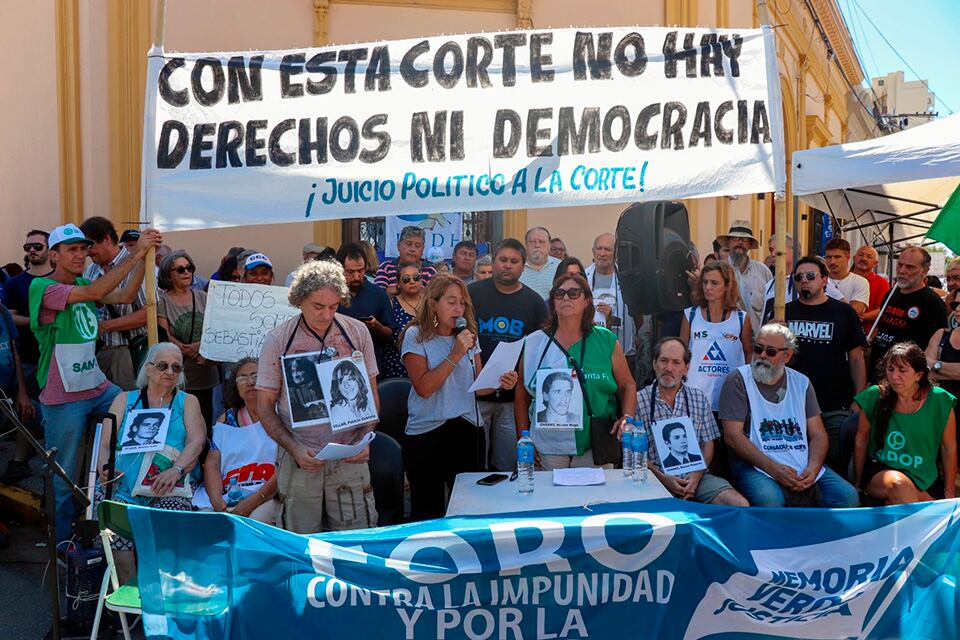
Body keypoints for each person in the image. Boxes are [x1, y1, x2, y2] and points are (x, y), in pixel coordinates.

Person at [31, 223, 161, 542]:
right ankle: (60, 540)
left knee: (138, 413)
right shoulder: (43, 287)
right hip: (63, 396)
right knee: (64, 471)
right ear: (55, 254)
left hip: (97, 387)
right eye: (72, 249)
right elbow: (96, 292)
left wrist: (145, 261)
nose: (80, 254)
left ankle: (126, 506)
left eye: (83, 248)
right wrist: (137, 252)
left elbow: (127, 294)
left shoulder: (81, 281)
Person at [257, 260, 379, 533]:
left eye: (334, 307)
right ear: (300, 300)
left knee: (356, 538)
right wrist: (294, 448)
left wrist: (365, 439)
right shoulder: (278, 340)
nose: (326, 315)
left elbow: (371, 394)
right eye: (318, 307)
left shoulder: (357, 332)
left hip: (350, 456)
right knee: (301, 542)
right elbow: (264, 407)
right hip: (301, 456)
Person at [401, 274, 518, 520]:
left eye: (463, 303)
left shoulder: (467, 337)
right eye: (451, 301)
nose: (459, 308)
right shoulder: (416, 336)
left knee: (470, 507)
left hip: (467, 429)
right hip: (428, 431)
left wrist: (501, 382)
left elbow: (476, 386)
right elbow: (424, 387)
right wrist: (454, 354)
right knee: (427, 511)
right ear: (433, 303)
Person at [96, 342, 205, 584]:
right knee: (117, 539)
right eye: (163, 366)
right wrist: (105, 466)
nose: (169, 372)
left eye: (176, 368)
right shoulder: (124, 400)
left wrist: (176, 471)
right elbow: (105, 443)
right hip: (123, 485)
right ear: (148, 368)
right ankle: (132, 597)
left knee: (166, 544)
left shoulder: (187, 402)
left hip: (168, 486)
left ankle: (159, 598)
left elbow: (196, 441)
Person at [719, 324, 859, 508]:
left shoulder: (801, 383)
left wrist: (813, 468)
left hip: (799, 461)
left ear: (787, 355)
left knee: (847, 496)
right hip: (755, 465)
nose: (762, 356)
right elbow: (732, 436)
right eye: (758, 348)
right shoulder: (738, 380)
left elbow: (818, 434)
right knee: (770, 499)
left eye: (771, 352)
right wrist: (774, 470)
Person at [516, 274, 637, 469]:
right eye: (559, 293)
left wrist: (627, 418)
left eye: (574, 293)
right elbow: (521, 394)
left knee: (594, 499)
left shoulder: (606, 340)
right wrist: (523, 438)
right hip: (548, 446)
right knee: (553, 500)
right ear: (553, 302)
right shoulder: (533, 342)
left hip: (595, 443)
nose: (565, 298)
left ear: (587, 300)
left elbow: (628, 385)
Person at [635, 338, 748, 505]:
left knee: (738, 504)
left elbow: (708, 444)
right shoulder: (638, 400)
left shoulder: (698, 397)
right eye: (663, 361)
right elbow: (636, 452)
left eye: (676, 363)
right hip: (654, 478)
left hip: (697, 477)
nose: (668, 368)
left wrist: (696, 476)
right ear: (654, 364)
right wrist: (663, 478)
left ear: (686, 368)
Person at [468, 239, 548, 471]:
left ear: (523, 266)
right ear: (493, 263)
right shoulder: (472, 292)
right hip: (475, 394)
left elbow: (539, 349)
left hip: (513, 398)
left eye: (514, 261)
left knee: (506, 463)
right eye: (503, 260)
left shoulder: (534, 302)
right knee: (474, 463)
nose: (508, 265)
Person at [786, 256, 867, 474]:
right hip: (792, 405)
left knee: (832, 462)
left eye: (811, 276)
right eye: (799, 277)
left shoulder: (843, 312)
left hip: (834, 404)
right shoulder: (783, 312)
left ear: (824, 280)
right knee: (797, 462)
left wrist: (859, 398)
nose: (804, 281)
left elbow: (857, 358)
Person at [854, 342, 956, 504]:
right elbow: (861, 440)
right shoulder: (875, 395)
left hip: (925, 477)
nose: (894, 377)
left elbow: (948, 447)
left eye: (902, 370)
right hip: (882, 472)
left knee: (894, 502)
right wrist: (858, 484)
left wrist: (949, 492)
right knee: (900, 486)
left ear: (919, 374)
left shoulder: (940, 400)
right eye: (890, 369)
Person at [193, 357, 278, 523]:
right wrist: (218, 503)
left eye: (255, 376)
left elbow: (284, 469)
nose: (250, 382)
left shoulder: (281, 415)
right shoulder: (226, 420)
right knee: (206, 522)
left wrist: (251, 503)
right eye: (243, 377)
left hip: (268, 494)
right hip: (229, 490)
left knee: (254, 522)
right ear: (235, 386)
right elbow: (212, 464)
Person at [1, 229, 51, 482]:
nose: (31, 251)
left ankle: (56, 465)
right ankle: (20, 460)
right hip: (30, 357)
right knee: (27, 408)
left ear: (50, 249)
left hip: (58, 360)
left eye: (37, 246)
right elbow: (9, 316)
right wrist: (38, 321)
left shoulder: (62, 278)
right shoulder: (16, 283)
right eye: (27, 247)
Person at [80, 216, 147, 391]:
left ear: (107, 239)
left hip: (127, 352)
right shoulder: (91, 271)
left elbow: (148, 314)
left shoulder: (139, 264)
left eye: (90, 245)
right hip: (98, 353)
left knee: (127, 405)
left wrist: (105, 326)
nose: (87, 252)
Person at [158, 250, 220, 428]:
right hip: (178, 375)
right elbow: (165, 334)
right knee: (182, 425)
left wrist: (200, 346)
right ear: (168, 275)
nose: (186, 272)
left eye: (189, 268)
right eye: (180, 269)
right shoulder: (162, 301)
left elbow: (215, 327)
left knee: (206, 424)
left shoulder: (202, 296)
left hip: (205, 373)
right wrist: (186, 349)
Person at [681, 261, 752, 412]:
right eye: (705, 282)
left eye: (714, 283)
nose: (707, 287)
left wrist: (746, 385)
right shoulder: (691, 315)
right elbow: (681, 353)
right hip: (696, 397)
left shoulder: (741, 318)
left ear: (727, 286)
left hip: (729, 396)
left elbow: (749, 353)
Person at [869, 246, 947, 382]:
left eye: (910, 267)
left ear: (925, 271)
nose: (902, 271)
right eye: (900, 264)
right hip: (878, 371)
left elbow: (937, 344)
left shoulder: (931, 302)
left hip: (905, 378)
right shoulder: (891, 294)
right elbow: (882, 326)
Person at [586, 232, 642, 377]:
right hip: (592, 352)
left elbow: (637, 311)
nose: (602, 254)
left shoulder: (627, 277)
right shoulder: (583, 277)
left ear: (616, 253)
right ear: (593, 251)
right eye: (599, 249)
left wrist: (638, 335)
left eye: (608, 249)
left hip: (625, 350)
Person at [336, 243, 395, 377]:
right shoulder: (331, 294)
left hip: (370, 366)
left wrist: (377, 326)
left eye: (361, 271)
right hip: (337, 364)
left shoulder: (378, 294)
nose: (357, 277)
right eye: (350, 272)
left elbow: (390, 334)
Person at [0, 303, 41, 484]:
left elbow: (15, 352)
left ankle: (19, 461)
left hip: (8, 385)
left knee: (29, 412)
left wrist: (22, 392)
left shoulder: (2, 311)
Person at [719, 220, 772, 330]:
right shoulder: (718, 270)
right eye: (735, 238)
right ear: (728, 242)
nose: (740, 242)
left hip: (756, 339)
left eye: (745, 239)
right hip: (726, 337)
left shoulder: (763, 272)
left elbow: (770, 309)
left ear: (750, 244)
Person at [380, 262, 423, 379]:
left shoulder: (431, 303)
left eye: (416, 277)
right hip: (397, 367)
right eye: (406, 279)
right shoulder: (391, 304)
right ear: (398, 283)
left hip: (427, 365)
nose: (412, 281)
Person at [375, 226, 437, 295]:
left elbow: (433, 296)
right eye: (409, 244)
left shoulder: (430, 271)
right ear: (398, 246)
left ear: (422, 249)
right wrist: (415, 290)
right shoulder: (386, 267)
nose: (412, 249)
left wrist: (394, 290)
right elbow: (378, 295)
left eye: (417, 246)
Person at [852, 245, 891, 336]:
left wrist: (861, 317)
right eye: (861, 255)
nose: (864, 259)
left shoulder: (882, 282)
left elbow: (882, 309)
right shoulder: (844, 278)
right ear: (854, 258)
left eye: (869, 257)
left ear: (875, 263)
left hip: (867, 334)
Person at [824, 238, 870, 315]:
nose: (832, 261)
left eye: (837, 257)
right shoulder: (817, 280)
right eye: (828, 257)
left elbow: (853, 312)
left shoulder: (860, 282)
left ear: (848, 257)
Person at [327, 360, 376, 426]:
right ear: (337, 387)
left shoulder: (369, 404)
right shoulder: (336, 411)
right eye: (341, 382)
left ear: (358, 380)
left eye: (350, 379)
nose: (346, 385)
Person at [519, 226, 561, 300]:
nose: (537, 245)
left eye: (542, 242)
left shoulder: (560, 266)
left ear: (549, 245)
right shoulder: (517, 267)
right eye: (532, 241)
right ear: (525, 245)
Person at [942, 258, 960, 329]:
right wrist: (947, 308)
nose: (951, 283)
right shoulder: (943, 302)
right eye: (948, 279)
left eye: (957, 278)